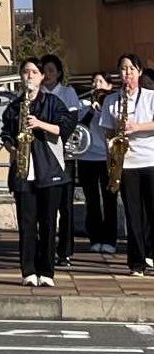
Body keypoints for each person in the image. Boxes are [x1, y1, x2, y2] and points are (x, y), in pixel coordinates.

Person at [2, 57, 76, 287]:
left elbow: (65, 128)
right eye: (26, 72)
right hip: (24, 170)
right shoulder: (14, 106)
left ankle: (47, 272)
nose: (30, 76)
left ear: (42, 76)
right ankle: (28, 271)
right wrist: (11, 145)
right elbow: (5, 133)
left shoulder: (53, 102)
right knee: (26, 224)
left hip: (49, 168)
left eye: (34, 72)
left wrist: (39, 124)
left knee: (47, 223)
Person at [98, 53, 154, 276]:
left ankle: (150, 253)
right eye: (123, 69)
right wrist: (111, 159)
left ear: (139, 72)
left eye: (131, 69)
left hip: (150, 159)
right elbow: (107, 132)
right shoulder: (112, 100)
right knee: (133, 214)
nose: (127, 73)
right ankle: (137, 262)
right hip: (126, 163)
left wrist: (137, 127)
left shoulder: (150, 96)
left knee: (152, 211)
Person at [41, 54, 82, 268]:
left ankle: (65, 250)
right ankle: (44, 248)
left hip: (64, 154)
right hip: (40, 155)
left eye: (50, 70)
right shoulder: (35, 94)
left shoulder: (68, 93)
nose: (47, 75)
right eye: (44, 70)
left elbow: (71, 121)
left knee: (65, 205)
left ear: (58, 73)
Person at [76, 72, 118, 257]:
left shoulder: (114, 104)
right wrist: (92, 110)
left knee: (109, 199)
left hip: (107, 157)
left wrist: (102, 109)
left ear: (109, 85)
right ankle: (95, 238)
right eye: (94, 81)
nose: (96, 84)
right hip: (87, 157)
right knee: (91, 199)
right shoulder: (84, 104)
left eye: (100, 81)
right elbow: (80, 126)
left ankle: (110, 239)